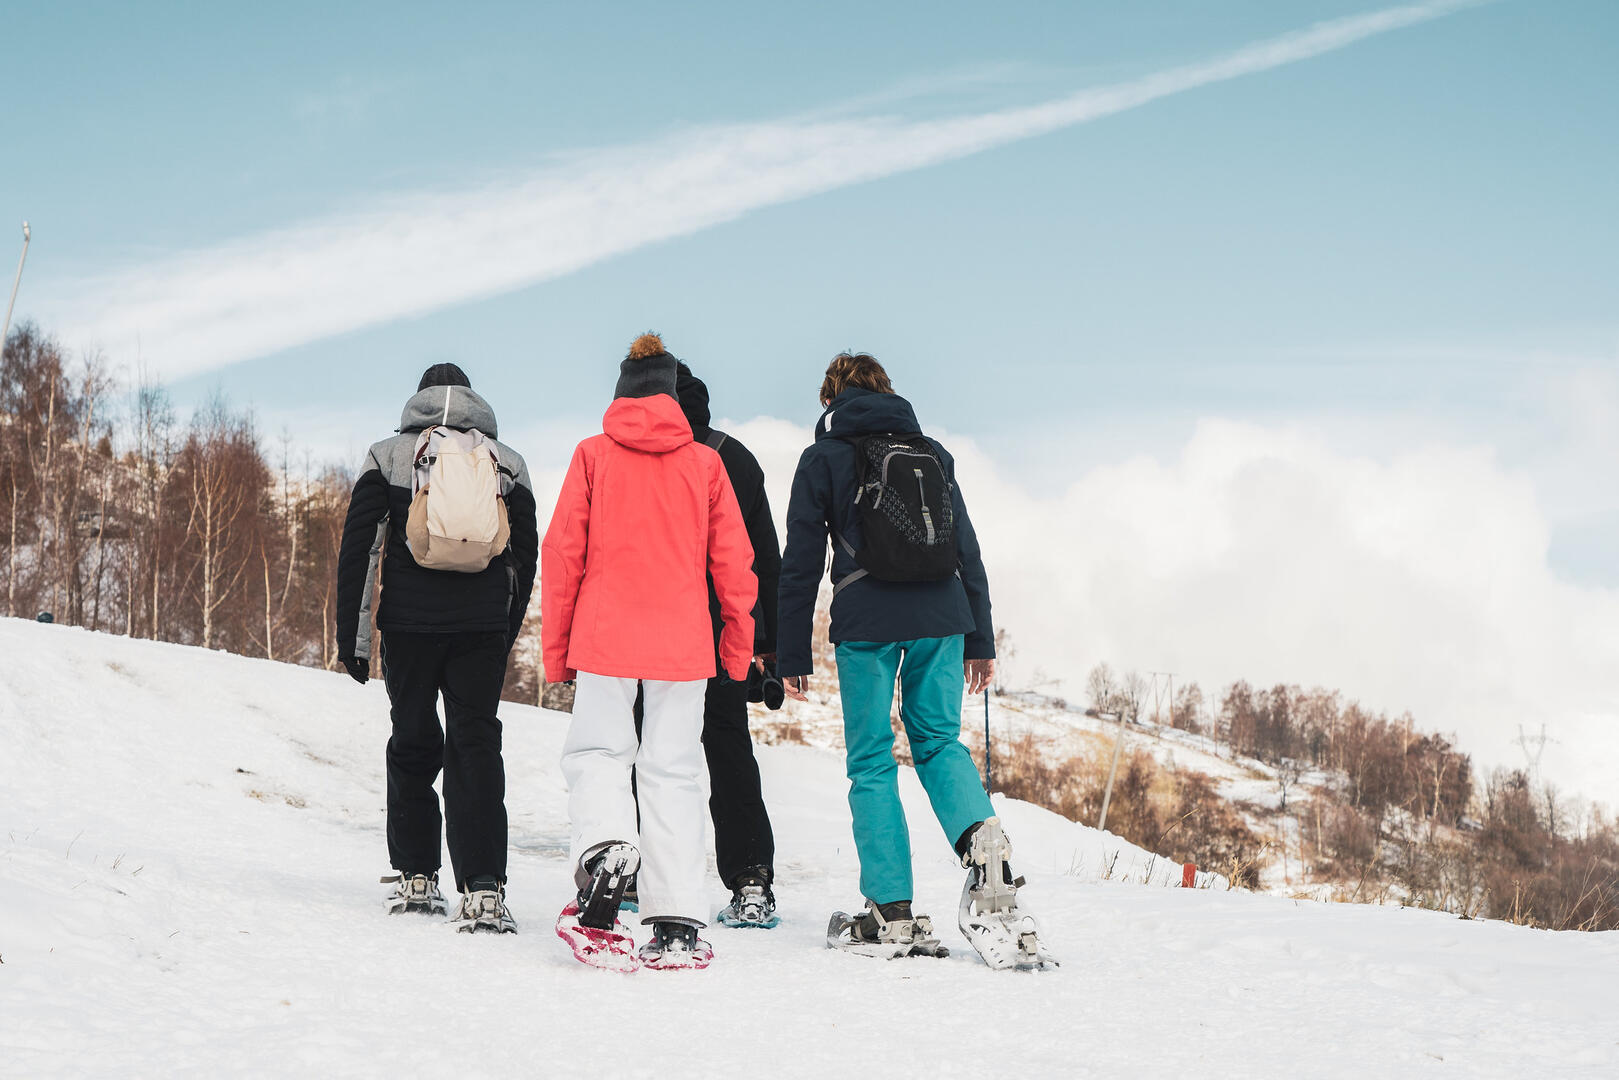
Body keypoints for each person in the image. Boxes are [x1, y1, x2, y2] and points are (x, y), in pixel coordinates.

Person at [776, 352, 1054, 968]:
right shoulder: (931, 453)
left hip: (868, 622)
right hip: (942, 617)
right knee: (938, 743)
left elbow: (798, 562)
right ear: (887, 390)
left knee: (873, 759)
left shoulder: (823, 457)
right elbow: (966, 547)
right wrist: (979, 637)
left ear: (831, 399)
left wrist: (790, 650)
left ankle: (889, 912)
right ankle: (983, 843)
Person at [543, 333, 758, 971]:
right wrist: (737, 652)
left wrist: (558, 653)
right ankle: (678, 922)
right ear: (669, 392)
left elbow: (562, 557)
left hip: (606, 635)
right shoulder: (705, 464)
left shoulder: (591, 456)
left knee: (600, 754)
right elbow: (735, 566)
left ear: (621, 389)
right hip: (684, 644)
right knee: (674, 772)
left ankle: (607, 852)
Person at [335, 362, 539, 933]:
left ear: (418, 398)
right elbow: (524, 556)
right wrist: (504, 632)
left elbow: (361, 552)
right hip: (479, 631)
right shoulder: (507, 461)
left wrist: (352, 639)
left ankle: (417, 877)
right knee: (475, 749)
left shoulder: (388, 455)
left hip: (409, 627)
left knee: (413, 742)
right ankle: (483, 891)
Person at [630, 361, 782, 928]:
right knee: (727, 749)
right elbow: (764, 558)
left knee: (642, 747)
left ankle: (634, 872)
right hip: (722, 633)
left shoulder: (635, 453)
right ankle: (750, 882)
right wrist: (767, 643)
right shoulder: (732, 454)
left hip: (646, 631)